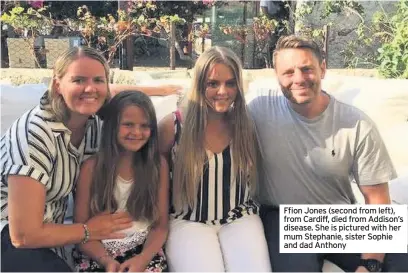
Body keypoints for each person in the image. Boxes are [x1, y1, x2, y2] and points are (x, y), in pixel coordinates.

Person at [0, 46, 177, 271]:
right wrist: (88, 231)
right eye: (78, 80)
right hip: (11, 233)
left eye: (98, 80)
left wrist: (160, 89)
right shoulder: (34, 137)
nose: (90, 88)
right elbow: (23, 235)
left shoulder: (93, 122)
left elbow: (121, 103)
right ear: (57, 84)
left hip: (54, 230)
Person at [246, 35, 408, 272]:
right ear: (277, 76)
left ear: (322, 69)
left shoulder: (356, 123)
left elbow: (378, 201)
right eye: (289, 72)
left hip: (338, 218)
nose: (299, 79)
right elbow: (213, 115)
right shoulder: (259, 110)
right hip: (284, 217)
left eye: (307, 69)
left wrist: (370, 263)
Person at [158, 46, 271, 271]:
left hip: (240, 217)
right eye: (212, 84)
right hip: (188, 219)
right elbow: (153, 178)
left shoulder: (246, 124)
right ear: (199, 84)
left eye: (230, 83)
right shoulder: (173, 126)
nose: (223, 91)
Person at [73, 91, 169, 272]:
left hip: (143, 249)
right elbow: (81, 232)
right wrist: (107, 261)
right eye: (128, 125)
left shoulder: (158, 166)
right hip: (98, 251)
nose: (137, 132)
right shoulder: (91, 168)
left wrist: (142, 259)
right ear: (111, 126)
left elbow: (160, 226)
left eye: (144, 126)